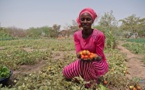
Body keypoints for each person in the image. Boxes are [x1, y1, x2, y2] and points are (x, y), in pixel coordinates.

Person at [62, 7, 108, 88]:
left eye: (88, 19)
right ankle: (84, 75)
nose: (85, 21)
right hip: (83, 60)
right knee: (66, 72)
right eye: (82, 19)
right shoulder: (77, 35)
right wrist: (81, 55)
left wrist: (90, 57)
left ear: (92, 21)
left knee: (86, 64)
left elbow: (99, 56)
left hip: (98, 63)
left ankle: (90, 83)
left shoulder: (99, 35)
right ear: (80, 21)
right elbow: (78, 53)